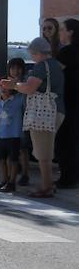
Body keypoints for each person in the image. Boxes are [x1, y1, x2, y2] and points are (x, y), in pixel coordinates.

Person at [1, 36, 64, 198]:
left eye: (33, 54)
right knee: (47, 150)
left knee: (42, 152)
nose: (32, 58)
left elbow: (29, 88)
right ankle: (48, 184)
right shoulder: (56, 65)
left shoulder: (41, 67)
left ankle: (46, 187)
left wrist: (13, 85)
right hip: (57, 110)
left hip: (43, 112)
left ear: (38, 52)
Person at [0, 63, 26, 192]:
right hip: (2, 134)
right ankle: (4, 179)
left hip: (14, 134)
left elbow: (23, 93)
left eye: (6, 86)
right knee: (1, 159)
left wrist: (16, 83)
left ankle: (12, 182)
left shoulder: (17, 99)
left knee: (13, 159)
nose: (3, 89)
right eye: (1, 86)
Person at [55, 18, 79, 188]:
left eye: (62, 29)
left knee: (64, 141)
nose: (60, 32)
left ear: (70, 32)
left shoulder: (67, 52)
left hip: (68, 101)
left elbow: (54, 74)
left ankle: (67, 178)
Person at [6, 57, 31, 186]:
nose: (15, 71)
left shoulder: (25, 82)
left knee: (23, 148)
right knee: (11, 148)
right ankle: (11, 175)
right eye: (12, 68)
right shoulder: (6, 82)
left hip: (22, 118)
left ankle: (25, 174)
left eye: (18, 68)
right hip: (9, 120)